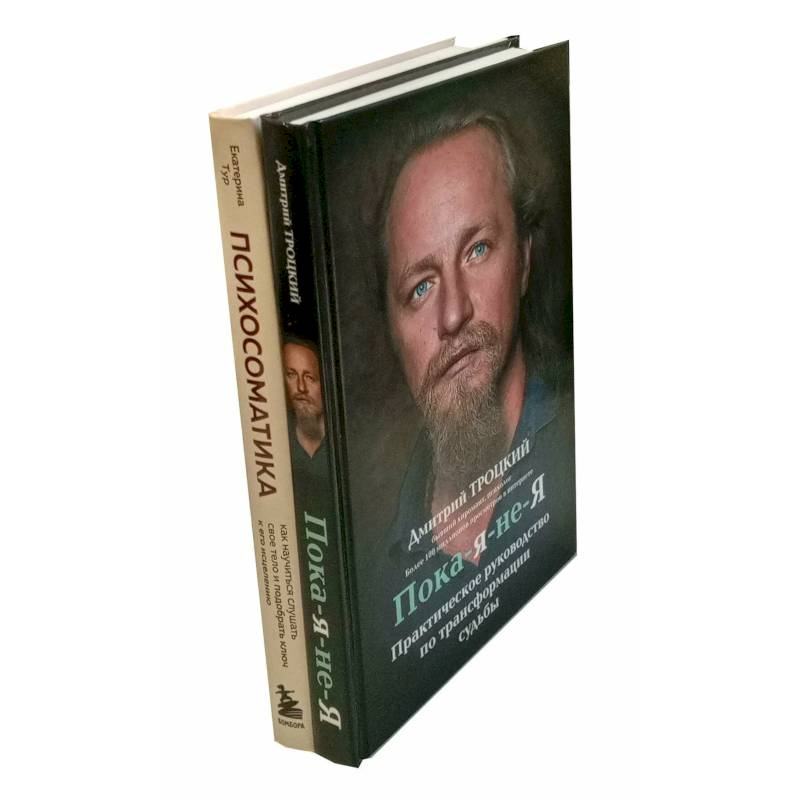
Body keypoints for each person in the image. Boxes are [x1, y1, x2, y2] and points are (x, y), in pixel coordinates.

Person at [381, 112, 560, 568]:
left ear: (523, 259)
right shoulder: (378, 566)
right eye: (421, 287)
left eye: (477, 250)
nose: (453, 313)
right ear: (393, 332)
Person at [282, 339, 331, 516]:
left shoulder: (350, 447)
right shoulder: (278, 445)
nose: (301, 387)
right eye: (292, 375)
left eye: (310, 378)